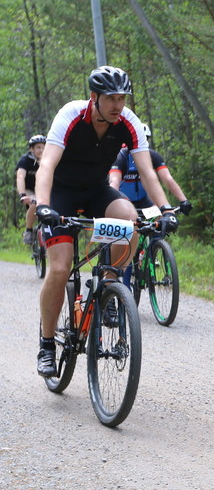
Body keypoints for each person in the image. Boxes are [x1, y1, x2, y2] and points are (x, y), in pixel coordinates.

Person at [34, 66, 179, 378]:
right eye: (111, 98)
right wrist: (44, 205)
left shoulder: (129, 123)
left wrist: (166, 209)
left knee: (131, 220)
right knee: (60, 268)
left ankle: (110, 286)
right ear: (94, 97)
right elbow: (46, 165)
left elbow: (147, 172)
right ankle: (47, 344)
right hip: (62, 193)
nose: (117, 105)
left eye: (122, 98)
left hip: (97, 191)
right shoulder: (70, 115)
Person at [108, 123, 192, 213]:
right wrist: (110, 202)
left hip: (144, 200)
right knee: (133, 222)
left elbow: (167, 178)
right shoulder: (121, 157)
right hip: (124, 199)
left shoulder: (153, 156)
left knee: (164, 218)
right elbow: (114, 182)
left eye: (143, 140)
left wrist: (183, 200)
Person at [16, 134, 46, 245]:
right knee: (34, 203)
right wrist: (22, 194)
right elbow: (20, 177)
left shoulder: (48, 160)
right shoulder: (25, 160)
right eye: (38, 147)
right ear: (31, 149)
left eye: (43, 147)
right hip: (29, 190)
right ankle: (28, 230)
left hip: (43, 189)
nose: (41, 150)